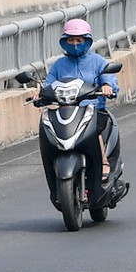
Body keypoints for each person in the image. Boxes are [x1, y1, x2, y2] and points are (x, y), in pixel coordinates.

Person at [44, 18, 119, 183]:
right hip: (66, 111)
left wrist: (106, 86)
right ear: (64, 41)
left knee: (94, 128)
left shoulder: (97, 61)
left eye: (80, 40)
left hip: (92, 110)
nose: (75, 43)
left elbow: (108, 77)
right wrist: (39, 94)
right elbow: (48, 85)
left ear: (88, 41)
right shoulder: (59, 65)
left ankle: (104, 162)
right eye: (71, 39)